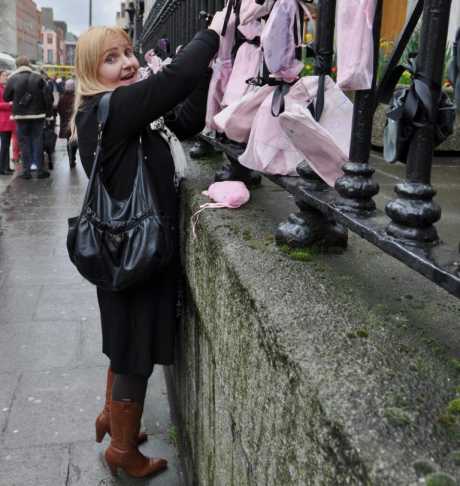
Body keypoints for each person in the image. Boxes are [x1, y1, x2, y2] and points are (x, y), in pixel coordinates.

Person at [72, 15, 223, 478]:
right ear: (89, 72)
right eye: (110, 59)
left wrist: (203, 74)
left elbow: (187, 118)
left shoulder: (120, 111)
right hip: (133, 252)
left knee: (126, 344)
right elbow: (174, 78)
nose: (126, 63)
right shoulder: (111, 110)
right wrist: (213, 34)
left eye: (127, 53)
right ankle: (121, 450)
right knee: (135, 350)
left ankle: (114, 418)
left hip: (130, 249)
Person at [3, 56, 53, 179]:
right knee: (38, 141)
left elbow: (6, 97)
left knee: (24, 142)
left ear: (17, 65)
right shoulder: (38, 77)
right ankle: (40, 170)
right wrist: (49, 114)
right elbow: (47, 96)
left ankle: (26, 171)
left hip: (20, 116)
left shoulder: (12, 79)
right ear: (29, 64)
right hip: (38, 115)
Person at [57, 79, 77, 168]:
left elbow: (58, 109)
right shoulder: (76, 97)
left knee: (68, 140)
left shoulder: (62, 97)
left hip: (65, 123)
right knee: (74, 140)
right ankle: (73, 157)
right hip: (74, 123)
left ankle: (70, 158)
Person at [0, 70, 15, 175]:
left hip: (8, 121)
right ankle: (2, 168)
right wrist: (9, 104)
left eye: (7, 75)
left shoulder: (4, 88)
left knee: (7, 145)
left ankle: (7, 166)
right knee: (4, 146)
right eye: (4, 75)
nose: (6, 77)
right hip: (2, 121)